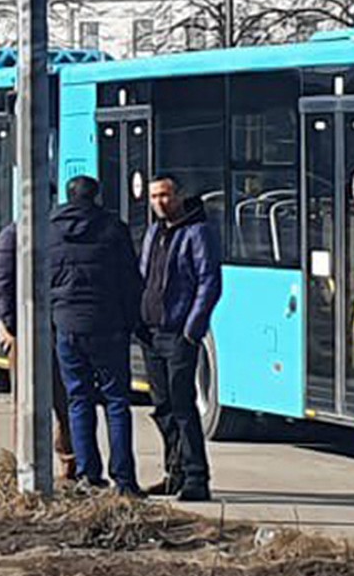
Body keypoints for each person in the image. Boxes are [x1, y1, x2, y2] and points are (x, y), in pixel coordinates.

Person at [48, 175, 143, 496]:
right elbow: (131, 281)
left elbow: (45, 280)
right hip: (108, 327)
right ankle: (125, 481)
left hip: (67, 327)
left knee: (79, 400)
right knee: (117, 402)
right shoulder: (113, 228)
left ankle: (89, 475)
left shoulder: (50, 230)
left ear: (67, 195)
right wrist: (131, 323)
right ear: (97, 196)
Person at [139, 174, 223, 503]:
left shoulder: (197, 232)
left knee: (183, 406)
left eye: (165, 195)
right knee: (162, 408)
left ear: (178, 196)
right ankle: (172, 472)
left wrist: (192, 330)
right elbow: (144, 275)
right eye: (154, 196)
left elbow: (209, 282)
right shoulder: (153, 232)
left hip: (178, 335)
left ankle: (196, 478)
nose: (159, 202)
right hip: (151, 332)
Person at [0, 220, 77, 481]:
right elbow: (2, 285)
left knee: (57, 400)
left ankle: (64, 460)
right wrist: (13, 326)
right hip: (28, 333)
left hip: (50, 329)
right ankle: (29, 464)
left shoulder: (15, 235)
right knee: (32, 402)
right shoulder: (15, 236)